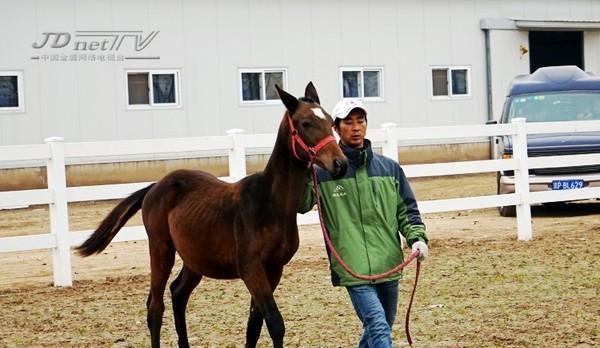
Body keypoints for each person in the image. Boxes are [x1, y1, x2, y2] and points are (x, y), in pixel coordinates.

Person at [298, 99, 429, 347]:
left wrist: (417, 238)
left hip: (388, 263)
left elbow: (407, 210)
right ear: (336, 128)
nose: (356, 127)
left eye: (361, 121)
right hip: (352, 267)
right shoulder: (322, 173)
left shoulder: (389, 168)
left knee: (379, 328)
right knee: (379, 326)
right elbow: (302, 204)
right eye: (348, 122)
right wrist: (304, 168)